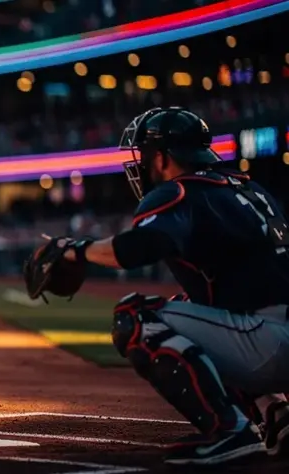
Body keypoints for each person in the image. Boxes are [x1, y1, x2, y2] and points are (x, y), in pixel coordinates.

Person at [34, 107, 289, 465]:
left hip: (267, 342)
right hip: (274, 332)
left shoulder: (179, 191)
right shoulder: (250, 189)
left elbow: (139, 248)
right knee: (191, 302)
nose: (140, 164)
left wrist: (75, 250)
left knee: (135, 317)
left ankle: (230, 430)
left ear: (163, 157)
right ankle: (276, 411)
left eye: (144, 154)